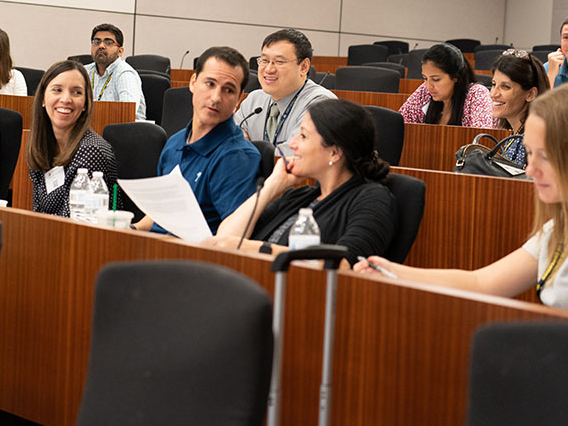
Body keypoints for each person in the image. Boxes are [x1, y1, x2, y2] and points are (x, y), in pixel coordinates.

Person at [356, 85, 568, 320]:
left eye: (545, 155)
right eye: (530, 154)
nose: (530, 170)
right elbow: (482, 283)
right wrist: (388, 270)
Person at [210, 99, 395, 262]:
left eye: (303, 136)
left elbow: (343, 263)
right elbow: (225, 239)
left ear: (334, 152)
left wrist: (253, 248)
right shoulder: (297, 196)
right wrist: (271, 187)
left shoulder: (372, 199)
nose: (292, 144)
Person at [134, 46, 261, 234]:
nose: (216, 97)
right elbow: (160, 214)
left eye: (228, 90)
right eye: (210, 84)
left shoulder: (237, 157)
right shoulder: (174, 144)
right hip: (155, 248)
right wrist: (130, 228)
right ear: (193, 82)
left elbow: (232, 239)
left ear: (238, 99)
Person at [26, 60, 118, 217]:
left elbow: (76, 223)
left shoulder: (91, 151)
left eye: (76, 92)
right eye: (57, 90)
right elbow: (38, 212)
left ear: (85, 104)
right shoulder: (43, 145)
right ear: (42, 98)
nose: (66, 99)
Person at [234, 28, 336, 152]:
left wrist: (245, 150)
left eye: (279, 62)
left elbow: (296, 154)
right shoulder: (254, 100)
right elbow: (229, 139)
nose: (268, 69)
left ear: (304, 67)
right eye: (264, 60)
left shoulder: (321, 104)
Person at [399, 43, 493, 128]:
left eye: (436, 79)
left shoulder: (476, 94)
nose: (428, 86)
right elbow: (399, 124)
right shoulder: (425, 91)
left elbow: (481, 139)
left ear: (455, 76)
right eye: (425, 78)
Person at [489, 49, 550, 166]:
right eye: (493, 84)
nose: (493, 94)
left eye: (505, 87)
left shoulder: (533, 140)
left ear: (530, 94)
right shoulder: (516, 134)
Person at [83, 23, 146, 121]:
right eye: (96, 41)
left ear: (120, 51)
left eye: (108, 42)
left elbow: (126, 113)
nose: (101, 46)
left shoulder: (125, 74)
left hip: (124, 132)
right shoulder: (84, 72)